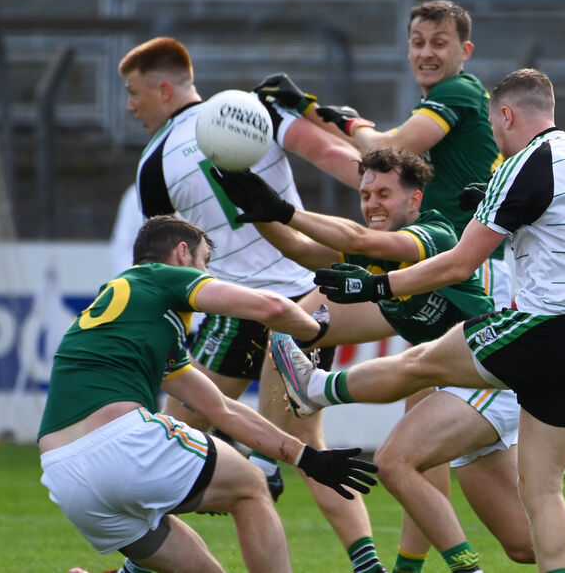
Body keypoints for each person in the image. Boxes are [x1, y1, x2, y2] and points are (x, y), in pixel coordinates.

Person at [270, 69, 565, 573]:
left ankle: (317, 386)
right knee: (542, 497)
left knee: (423, 363)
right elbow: (557, 232)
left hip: (542, 325)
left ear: (507, 115)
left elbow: (457, 265)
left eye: (496, 126)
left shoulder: (522, 163)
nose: (495, 137)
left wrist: (376, 285)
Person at [117, 37, 389, 573]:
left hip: (232, 306)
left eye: (133, 92)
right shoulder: (257, 109)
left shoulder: (153, 166)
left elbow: (169, 266)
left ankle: (140, 564)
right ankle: (368, 566)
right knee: (307, 441)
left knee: (175, 444)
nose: (130, 105)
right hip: (304, 297)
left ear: (163, 88)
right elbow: (340, 159)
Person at [256, 3, 513, 567]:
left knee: (417, 451)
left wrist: (335, 119)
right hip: (425, 272)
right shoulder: (442, 104)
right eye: (417, 41)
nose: (426, 51)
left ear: (464, 52)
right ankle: (282, 460)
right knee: (299, 330)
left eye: (439, 42)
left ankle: (264, 464)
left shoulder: (463, 94)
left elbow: (390, 147)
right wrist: (318, 115)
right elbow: (371, 166)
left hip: (450, 271)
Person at [39, 215, 377, 573]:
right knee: (250, 486)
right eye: (205, 263)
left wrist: (307, 459)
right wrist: (315, 327)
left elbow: (222, 410)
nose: (208, 274)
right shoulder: (160, 276)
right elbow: (272, 307)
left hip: (65, 478)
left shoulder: (131, 317)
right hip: (121, 446)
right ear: (183, 253)